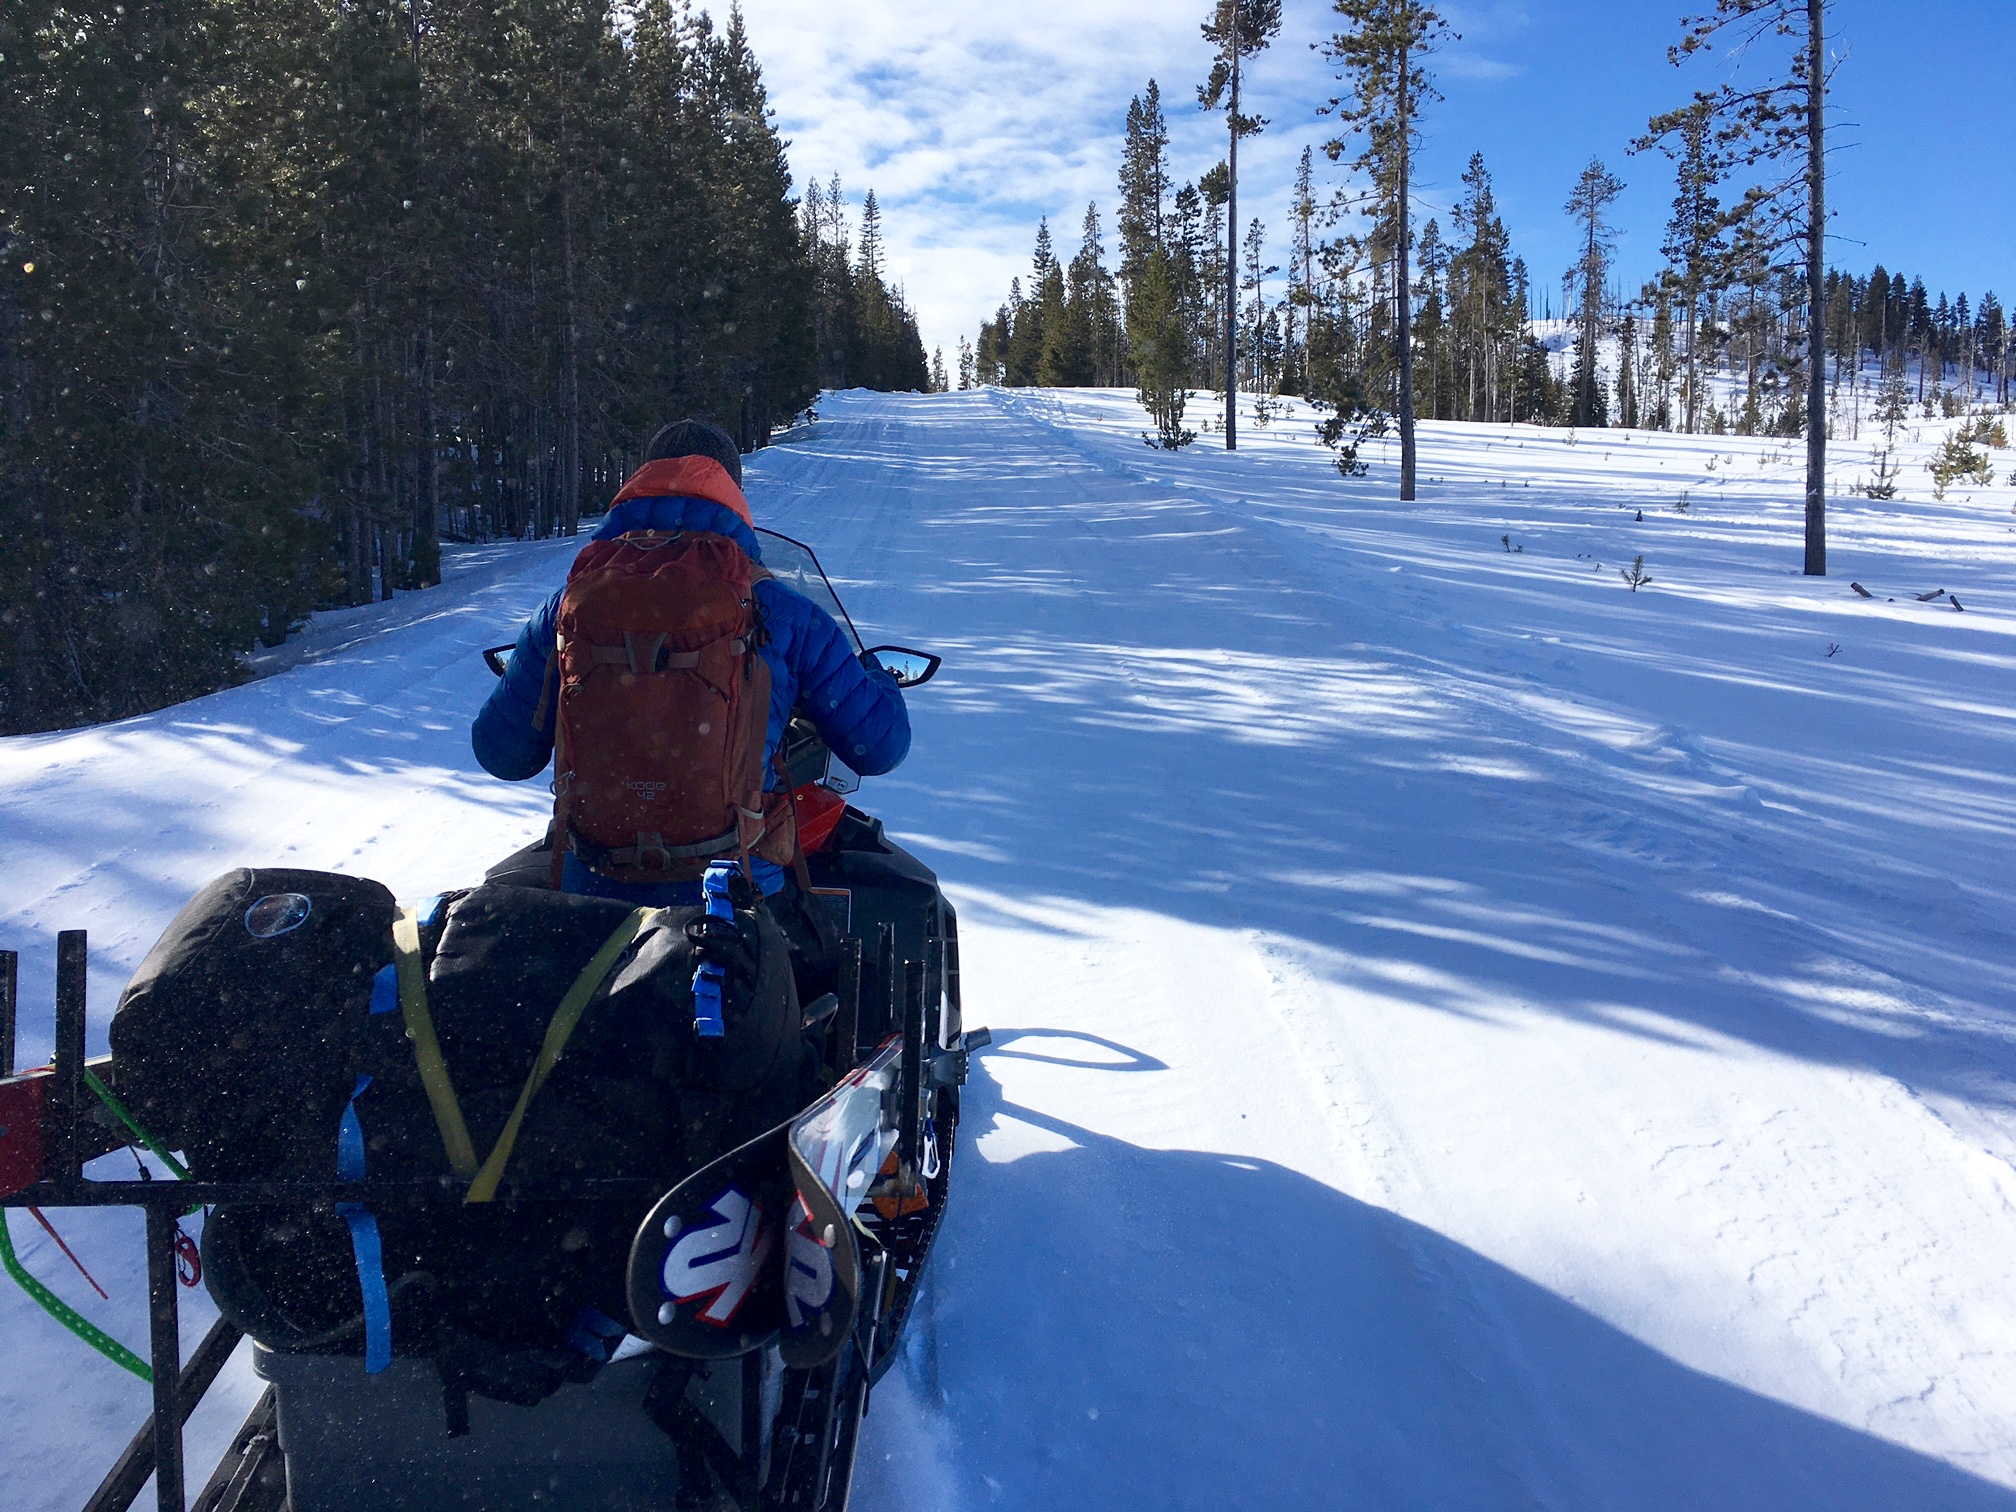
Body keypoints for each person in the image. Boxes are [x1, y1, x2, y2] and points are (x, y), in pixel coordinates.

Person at [471, 418, 910, 928]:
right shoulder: (779, 611)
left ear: (641, 480)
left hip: (591, 903)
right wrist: (876, 675)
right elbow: (880, 747)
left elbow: (500, 754)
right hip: (732, 909)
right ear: (733, 494)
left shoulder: (568, 607)